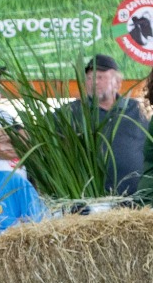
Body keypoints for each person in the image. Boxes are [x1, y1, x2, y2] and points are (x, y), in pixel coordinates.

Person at [60, 53, 149, 196]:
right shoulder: (71, 112)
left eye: (100, 77)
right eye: (89, 78)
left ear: (118, 82)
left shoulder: (140, 110)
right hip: (91, 201)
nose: (93, 82)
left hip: (138, 199)